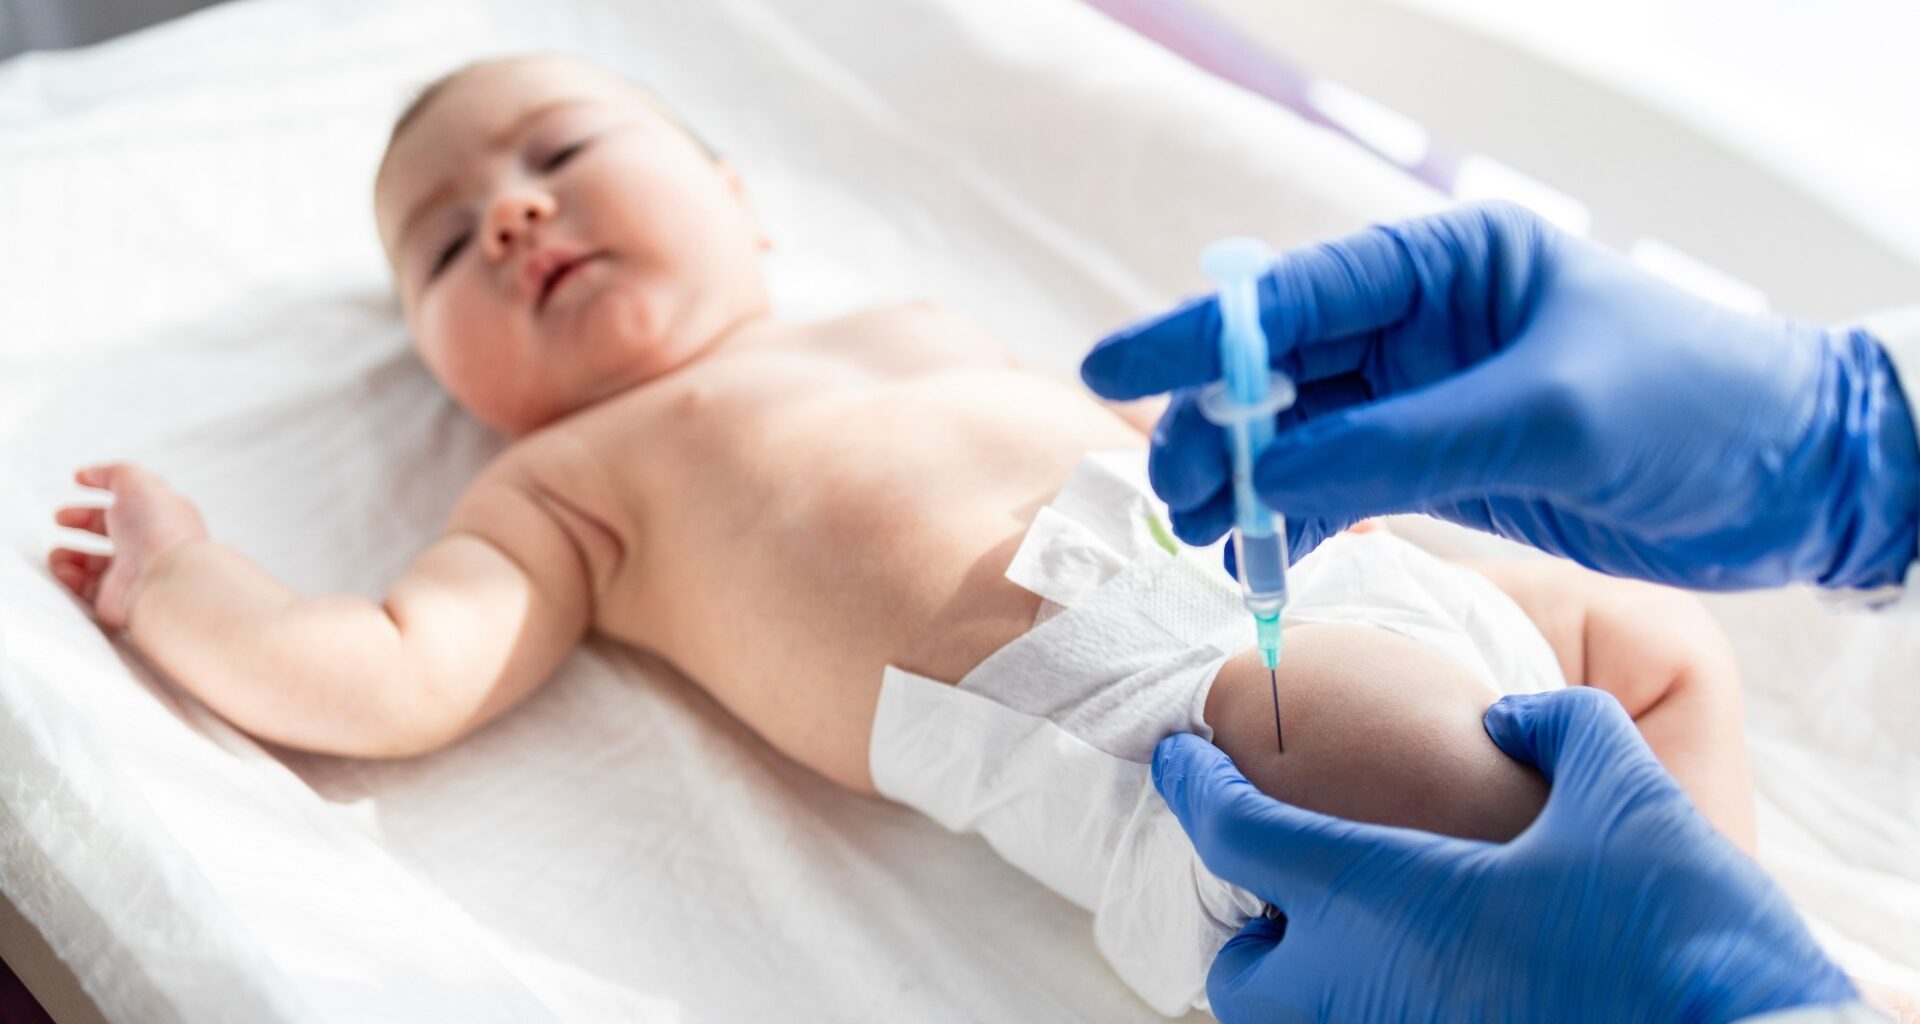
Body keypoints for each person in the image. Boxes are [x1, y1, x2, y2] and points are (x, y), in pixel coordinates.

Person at [46, 57, 1762, 1015]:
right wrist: (186, 582)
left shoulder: (910, 318)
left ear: (738, 199)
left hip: (1300, 577)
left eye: (559, 148)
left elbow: (1136, 438)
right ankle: (1694, 981)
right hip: (1166, 718)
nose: (511, 211)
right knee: (1410, 749)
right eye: (442, 249)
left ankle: (1717, 920)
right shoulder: (573, 485)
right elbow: (394, 672)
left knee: (1656, 646)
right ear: (445, 371)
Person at [1081, 200, 1920, 1022]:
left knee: (1408, 769)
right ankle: (1720, 925)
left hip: (1232, 684)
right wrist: (1847, 452)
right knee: (1645, 654)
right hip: (1412, 653)